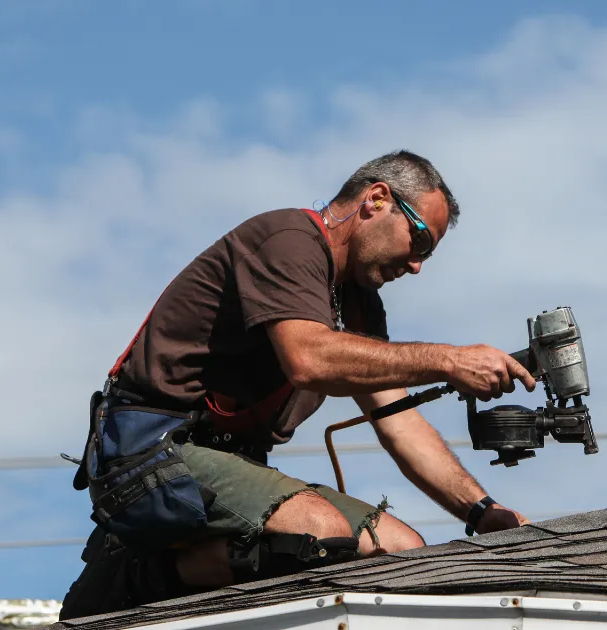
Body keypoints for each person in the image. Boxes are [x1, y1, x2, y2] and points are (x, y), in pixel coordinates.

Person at [60, 150, 536, 618]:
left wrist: (481, 511)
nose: (417, 266)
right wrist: (451, 360)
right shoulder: (288, 241)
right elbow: (308, 358)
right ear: (376, 200)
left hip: (224, 464)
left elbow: (399, 421)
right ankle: (133, 572)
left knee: (397, 550)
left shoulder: (360, 302)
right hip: (151, 454)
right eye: (420, 242)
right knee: (316, 531)